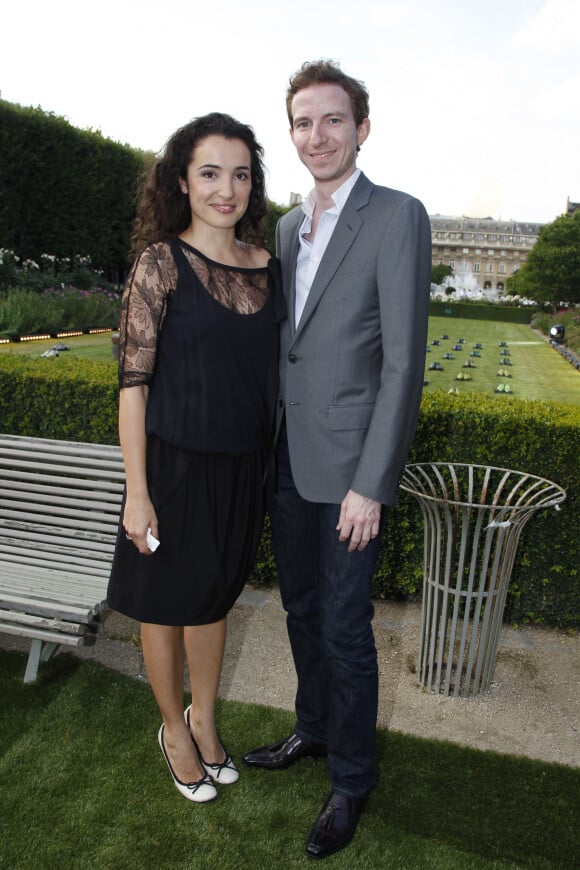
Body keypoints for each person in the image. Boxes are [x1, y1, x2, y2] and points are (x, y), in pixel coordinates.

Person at [243, 61, 431, 858]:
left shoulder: (398, 216)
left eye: (331, 120)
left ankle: (351, 780)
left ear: (361, 127)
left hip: (351, 473)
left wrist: (371, 484)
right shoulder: (286, 228)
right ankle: (312, 732)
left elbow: (402, 363)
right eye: (301, 122)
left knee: (347, 629)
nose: (315, 136)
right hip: (288, 462)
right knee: (301, 611)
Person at [107, 112, 283, 804]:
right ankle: (172, 732)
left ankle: (204, 721)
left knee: (213, 602)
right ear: (182, 180)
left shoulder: (271, 268)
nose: (226, 189)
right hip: (173, 468)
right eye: (210, 172)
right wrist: (137, 491)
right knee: (165, 604)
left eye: (240, 174)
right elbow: (132, 387)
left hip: (243, 469)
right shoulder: (159, 263)